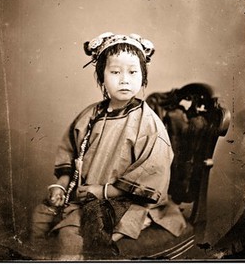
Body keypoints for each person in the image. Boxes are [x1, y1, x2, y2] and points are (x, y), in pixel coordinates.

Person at [31, 33, 186, 260]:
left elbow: (151, 175)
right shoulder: (89, 115)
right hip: (84, 196)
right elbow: (70, 152)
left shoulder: (148, 123)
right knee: (40, 217)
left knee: (71, 235)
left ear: (143, 77)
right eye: (115, 72)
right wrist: (61, 185)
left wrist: (102, 191)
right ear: (101, 77)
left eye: (133, 72)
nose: (124, 79)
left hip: (128, 202)